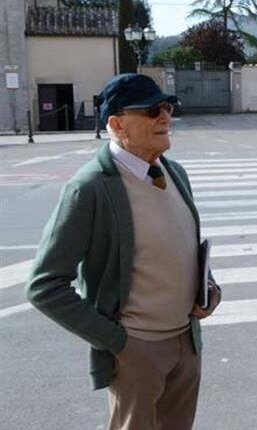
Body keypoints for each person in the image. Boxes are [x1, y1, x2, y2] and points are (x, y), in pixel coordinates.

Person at [26, 73, 221, 430]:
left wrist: (209, 288)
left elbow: (182, 247)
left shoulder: (174, 172)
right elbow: (44, 285)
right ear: (117, 124)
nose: (165, 117)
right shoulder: (91, 188)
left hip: (186, 342)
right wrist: (118, 343)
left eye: (166, 107)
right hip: (137, 351)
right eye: (150, 111)